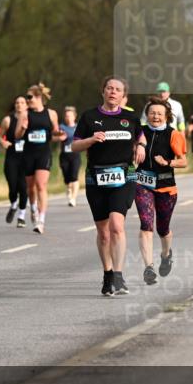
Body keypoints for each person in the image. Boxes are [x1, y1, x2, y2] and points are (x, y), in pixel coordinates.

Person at [71, 77, 146, 297]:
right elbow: (74, 145)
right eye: (109, 88)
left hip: (125, 176)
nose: (113, 92)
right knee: (103, 233)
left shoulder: (130, 118)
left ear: (124, 95)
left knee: (117, 225)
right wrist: (91, 140)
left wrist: (141, 146)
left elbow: (140, 138)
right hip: (96, 178)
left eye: (118, 90)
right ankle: (107, 274)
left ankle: (120, 276)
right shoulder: (89, 117)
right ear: (102, 91)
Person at [135, 98, 187, 285]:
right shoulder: (140, 133)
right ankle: (148, 267)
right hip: (142, 184)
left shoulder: (174, 134)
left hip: (166, 187)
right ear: (147, 115)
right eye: (152, 113)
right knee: (146, 224)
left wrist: (168, 163)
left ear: (166, 116)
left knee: (162, 229)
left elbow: (183, 161)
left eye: (159, 113)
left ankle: (166, 255)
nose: (155, 116)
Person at [17, 83, 63, 234]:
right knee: (31, 188)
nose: (27, 100)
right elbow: (16, 135)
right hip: (28, 154)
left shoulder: (51, 114)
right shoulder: (24, 114)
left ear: (39, 97)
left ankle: (41, 220)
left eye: (29, 97)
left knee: (41, 185)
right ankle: (33, 208)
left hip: (44, 153)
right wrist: (23, 128)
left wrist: (60, 135)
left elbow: (55, 133)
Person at [0, 95, 30, 227]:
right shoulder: (7, 120)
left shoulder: (31, 119)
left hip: (26, 158)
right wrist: (3, 142)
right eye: (17, 102)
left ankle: (21, 216)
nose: (19, 105)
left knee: (23, 188)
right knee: (12, 186)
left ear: (27, 105)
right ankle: (13, 204)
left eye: (22, 102)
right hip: (11, 157)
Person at [59, 106, 82, 207]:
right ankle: (68, 189)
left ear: (74, 116)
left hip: (75, 155)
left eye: (70, 116)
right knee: (67, 178)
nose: (68, 118)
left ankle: (73, 198)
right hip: (64, 156)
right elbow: (56, 136)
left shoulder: (78, 127)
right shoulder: (61, 127)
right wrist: (60, 136)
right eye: (66, 116)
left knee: (74, 176)